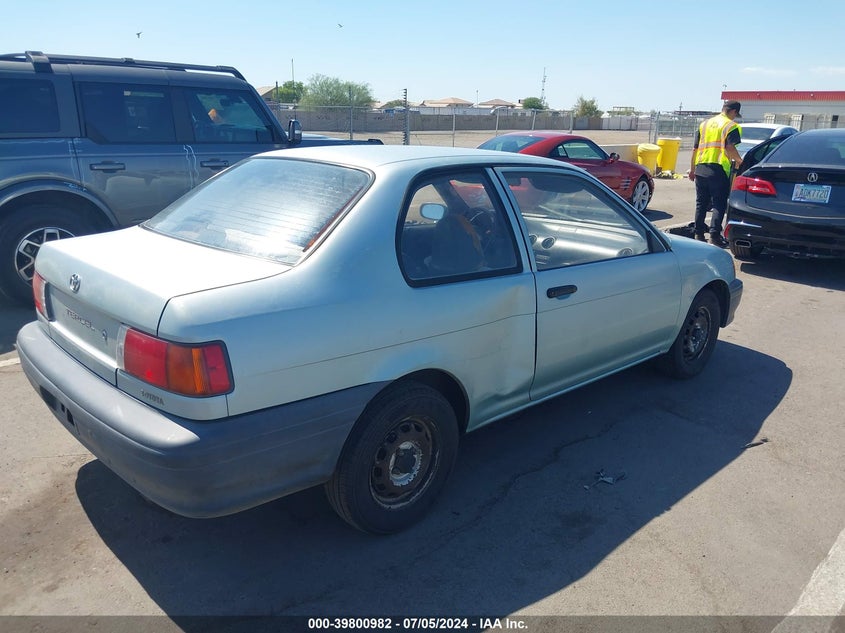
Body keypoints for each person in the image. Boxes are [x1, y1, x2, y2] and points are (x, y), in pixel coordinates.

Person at [688, 100, 743, 247]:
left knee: (701, 203)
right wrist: (739, 161)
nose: (735, 118)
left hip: (700, 168)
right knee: (718, 204)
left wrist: (692, 169)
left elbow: (695, 149)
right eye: (735, 115)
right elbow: (730, 147)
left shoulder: (704, 124)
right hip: (717, 170)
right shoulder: (730, 126)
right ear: (733, 112)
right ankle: (714, 236)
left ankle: (698, 234)